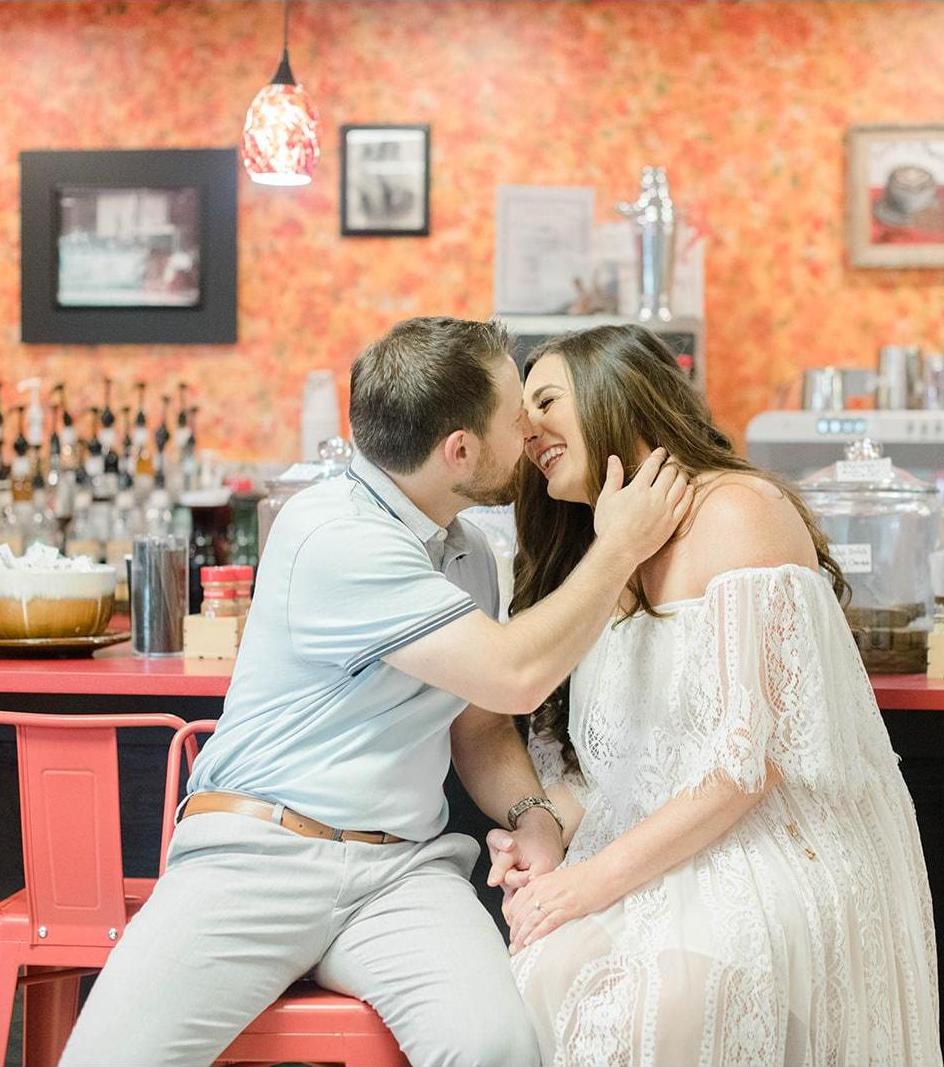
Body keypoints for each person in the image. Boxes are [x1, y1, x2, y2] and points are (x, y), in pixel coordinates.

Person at [59, 317, 693, 1067]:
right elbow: (515, 673)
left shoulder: (470, 552)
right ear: (459, 450)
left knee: (497, 1048)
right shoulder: (333, 533)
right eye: (515, 412)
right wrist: (619, 544)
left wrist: (533, 815)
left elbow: (482, 723)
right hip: (258, 856)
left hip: (400, 873)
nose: (530, 428)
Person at [490, 323, 941, 1067]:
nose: (527, 428)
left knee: (662, 1000)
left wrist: (583, 885)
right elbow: (613, 766)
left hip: (772, 842)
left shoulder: (738, 510)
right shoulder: (602, 550)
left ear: (618, 395)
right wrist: (539, 836)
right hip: (664, 845)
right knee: (540, 972)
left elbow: (743, 766)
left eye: (544, 400)